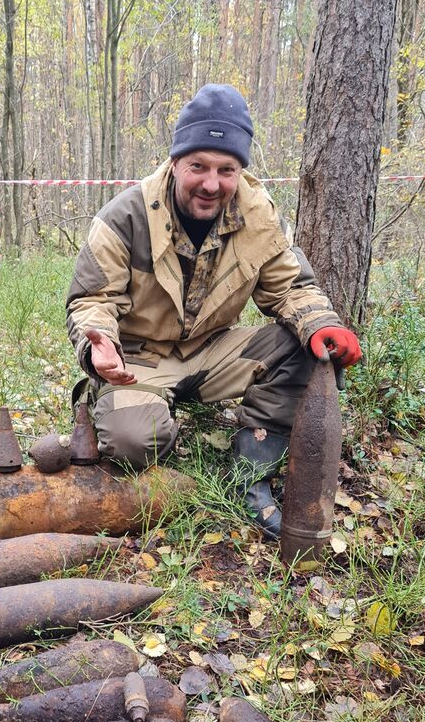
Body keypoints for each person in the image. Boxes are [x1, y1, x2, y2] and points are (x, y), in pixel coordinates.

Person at [66, 84, 361, 539]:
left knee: (306, 349)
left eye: (227, 170)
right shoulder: (125, 216)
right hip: (139, 358)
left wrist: (322, 324)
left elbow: (291, 287)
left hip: (212, 351)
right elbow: (92, 299)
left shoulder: (259, 216)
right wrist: (98, 344)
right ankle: (116, 404)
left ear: (241, 170)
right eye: (198, 166)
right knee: (133, 442)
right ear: (175, 162)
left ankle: (248, 475)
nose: (211, 183)